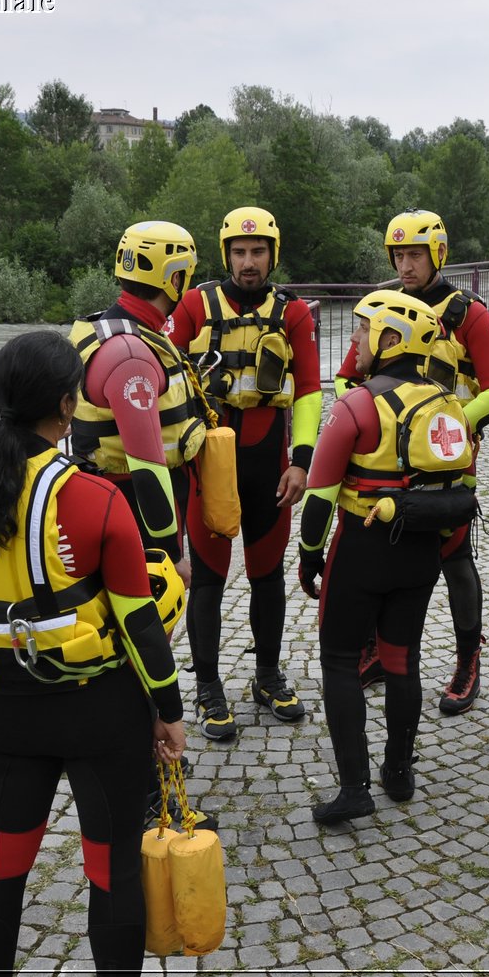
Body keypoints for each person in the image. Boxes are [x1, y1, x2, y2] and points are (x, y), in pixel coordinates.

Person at [0, 331, 185, 977]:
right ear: (67, 407)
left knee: (3, 863)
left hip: (8, 710)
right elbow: (138, 621)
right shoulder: (95, 497)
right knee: (110, 864)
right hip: (102, 712)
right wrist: (169, 708)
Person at [299, 292, 474, 826]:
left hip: (361, 547)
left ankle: (354, 788)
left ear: (391, 339)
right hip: (419, 552)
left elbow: (320, 493)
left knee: (338, 660)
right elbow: (459, 488)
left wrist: (309, 556)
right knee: (402, 660)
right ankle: (399, 771)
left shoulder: (356, 404)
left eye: (362, 332)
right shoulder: (448, 404)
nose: (353, 342)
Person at [70, 220, 216, 830]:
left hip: (107, 508)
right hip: (128, 519)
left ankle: (135, 786)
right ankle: (145, 797)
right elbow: (147, 460)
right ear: (174, 278)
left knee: (127, 652)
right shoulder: (132, 353)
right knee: (138, 654)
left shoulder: (104, 328)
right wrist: (169, 548)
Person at [335, 209, 489, 715]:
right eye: (398, 255)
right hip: (380, 463)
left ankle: (467, 659)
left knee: (455, 560)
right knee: (378, 556)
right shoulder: (382, 307)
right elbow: (350, 379)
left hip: (444, 462)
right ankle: (375, 650)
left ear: (437, 255)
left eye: (414, 254)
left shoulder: (467, 313)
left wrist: (448, 427)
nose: (405, 265)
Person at [167, 206, 321, 740]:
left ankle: (267, 674)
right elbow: (166, 377)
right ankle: (208, 685)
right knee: (208, 577)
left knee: (266, 574)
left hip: (267, 460)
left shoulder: (294, 313)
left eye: (257, 252)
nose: (248, 262)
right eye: (239, 252)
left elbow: (308, 391)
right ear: (226, 253)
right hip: (207, 461)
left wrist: (301, 461)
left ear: (271, 255)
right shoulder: (192, 306)